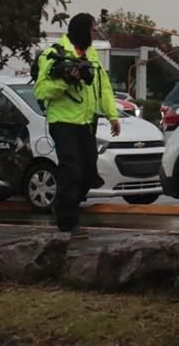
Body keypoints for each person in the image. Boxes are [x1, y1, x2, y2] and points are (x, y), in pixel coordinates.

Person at [34, 12, 120, 238]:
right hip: (63, 122)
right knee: (71, 171)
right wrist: (65, 81)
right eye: (92, 29)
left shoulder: (91, 54)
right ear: (82, 30)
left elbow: (104, 88)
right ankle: (67, 224)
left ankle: (63, 205)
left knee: (89, 174)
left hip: (87, 123)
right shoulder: (54, 54)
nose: (94, 34)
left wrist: (113, 115)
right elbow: (41, 91)